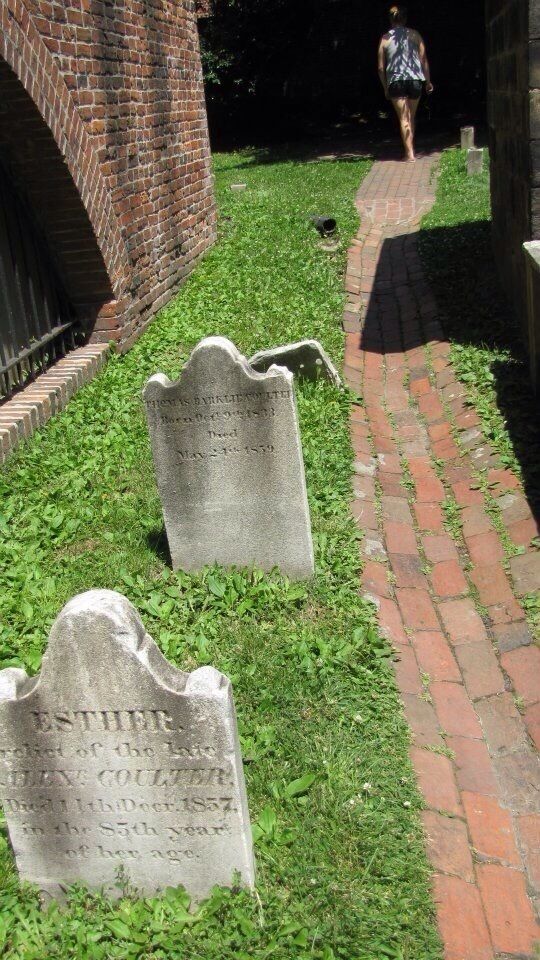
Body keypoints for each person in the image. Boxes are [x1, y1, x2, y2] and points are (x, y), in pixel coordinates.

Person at [377, 5, 433, 161]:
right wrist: (428, 81)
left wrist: (385, 87)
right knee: (411, 117)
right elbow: (423, 59)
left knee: (403, 118)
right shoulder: (415, 35)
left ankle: (409, 154)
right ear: (405, 19)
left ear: (390, 20)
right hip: (415, 80)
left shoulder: (385, 39)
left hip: (396, 82)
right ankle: (411, 150)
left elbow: (380, 68)